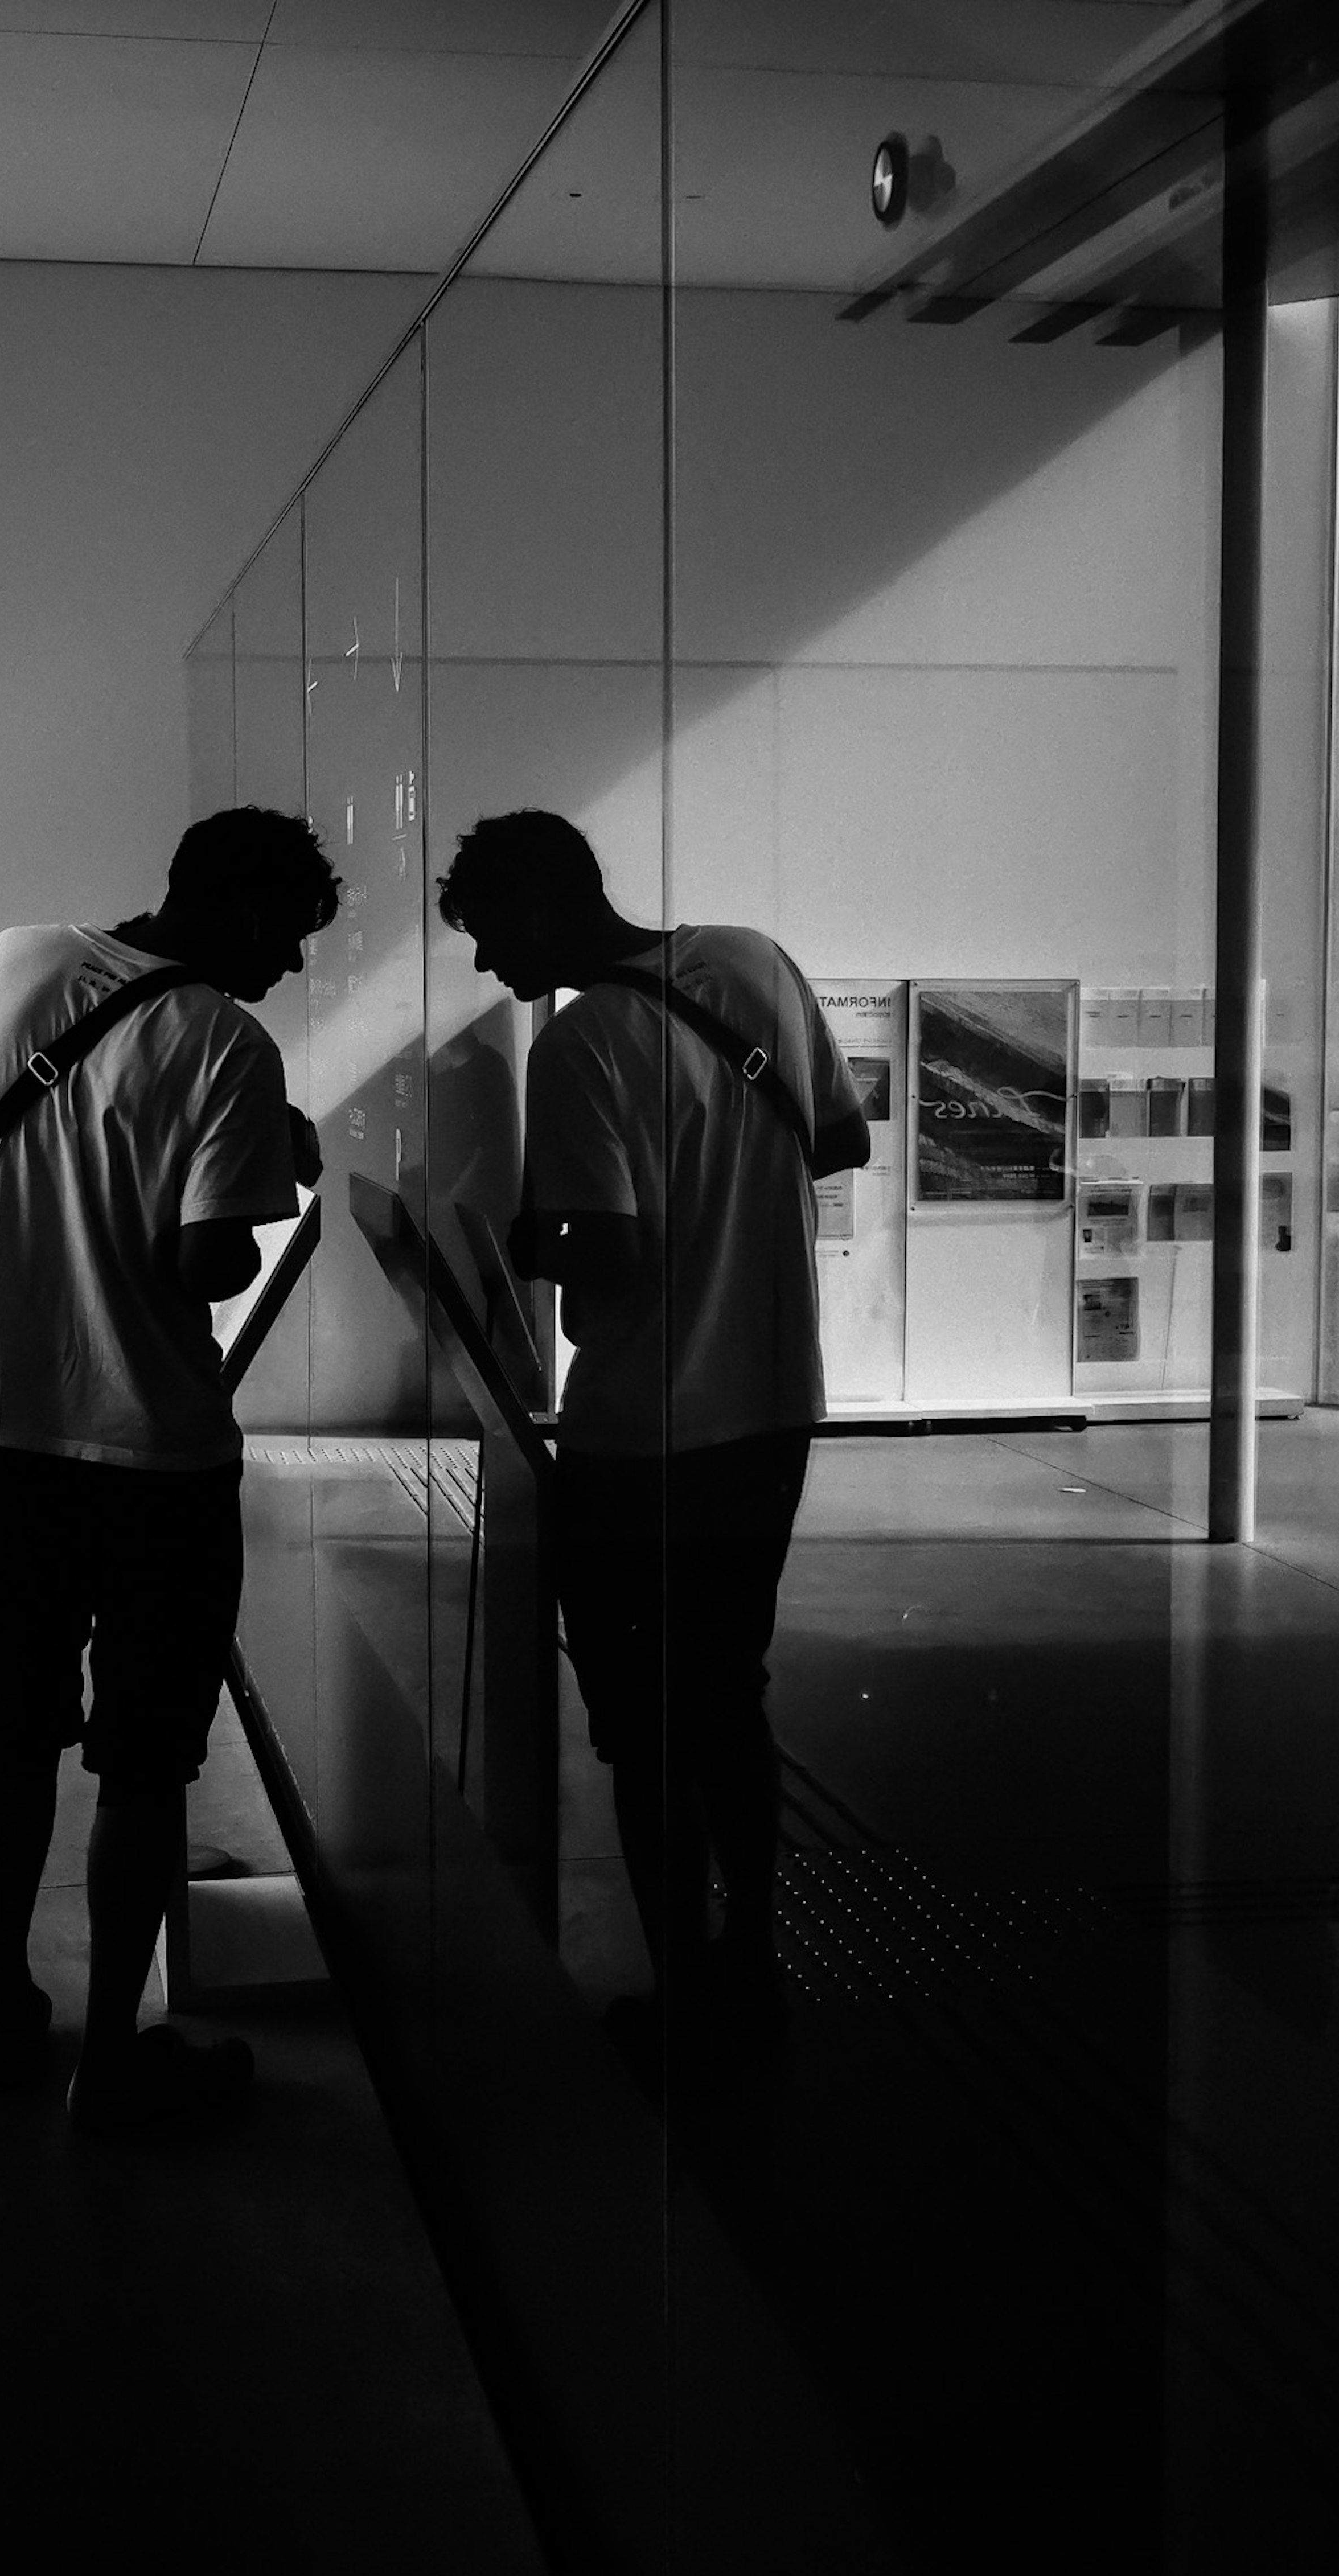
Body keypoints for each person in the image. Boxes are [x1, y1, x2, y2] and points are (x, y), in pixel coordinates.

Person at [0, 804, 336, 2133]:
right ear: (247, 911)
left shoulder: (11, 957)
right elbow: (207, 1265)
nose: (294, 969)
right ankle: (115, 2055)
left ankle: (8, 2001)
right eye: (295, 938)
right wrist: (278, 1164)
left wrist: (53, 1195)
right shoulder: (226, 1043)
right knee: (146, 1761)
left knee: (18, 1717)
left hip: (3, 1423)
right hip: (154, 1449)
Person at [436, 811, 869, 2089]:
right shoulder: (754, 963)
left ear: (533, 910)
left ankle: (678, 1999)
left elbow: (610, 1258)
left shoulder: (580, 1045)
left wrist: (527, 1242)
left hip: (645, 1436)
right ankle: (751, 1958)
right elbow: (839, 1140)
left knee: (642, 1731)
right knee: (729, 1695)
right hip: (774, 1406)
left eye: (482, 937)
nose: (482, 969)